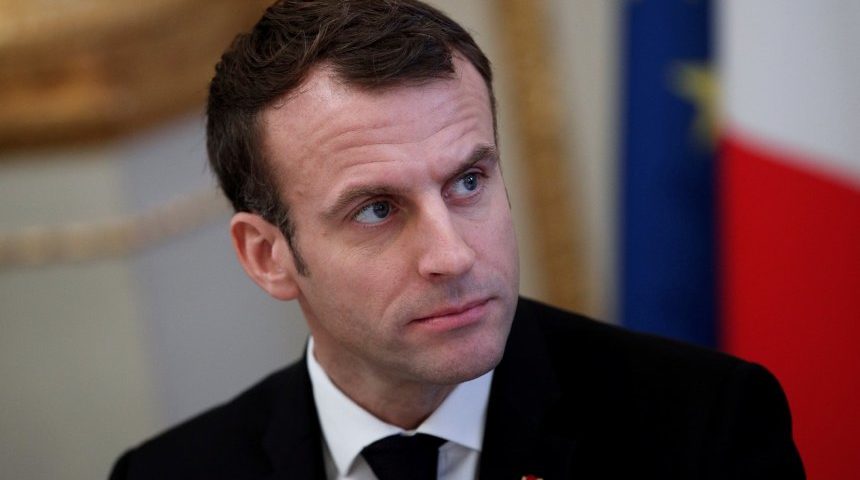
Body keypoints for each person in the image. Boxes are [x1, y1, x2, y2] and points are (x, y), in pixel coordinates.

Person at [109, 1, 804, 478]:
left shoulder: (705, 428)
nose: (453, 254)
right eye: (377, 210)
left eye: (468, 181)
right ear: (268, 257)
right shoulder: (166, 474)